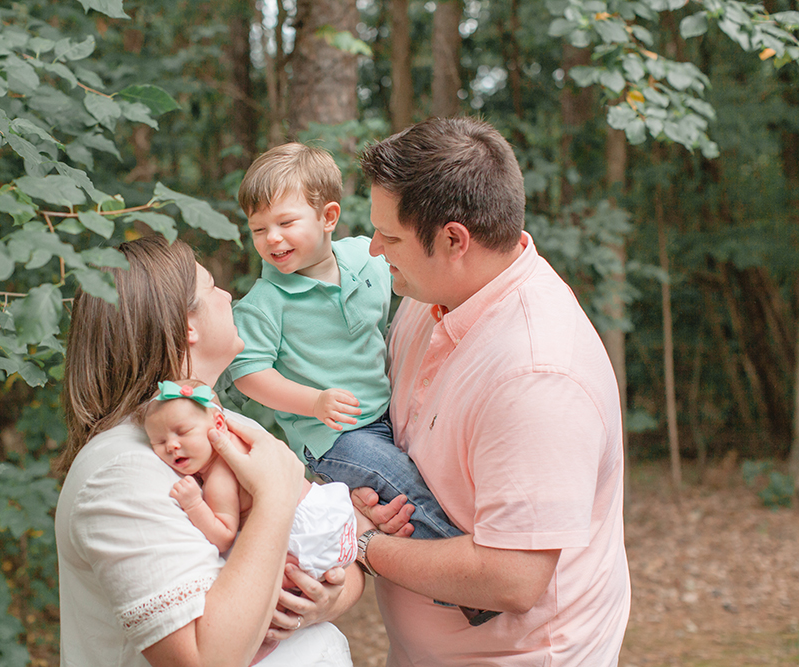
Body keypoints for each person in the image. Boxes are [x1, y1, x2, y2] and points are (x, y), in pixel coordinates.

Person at [351, 116, 631, 665]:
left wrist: (361, 543)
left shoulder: (537, 372)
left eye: (390, 236)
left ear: (454, 239)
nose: (374, 251)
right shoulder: (427, 297)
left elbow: (512, 577)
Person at [54, 235, 361, 667]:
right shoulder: (123, 470)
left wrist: (324, 600)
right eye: (213, 286)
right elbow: (202, 659)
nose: (229, 294)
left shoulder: (230, 429)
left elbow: (337, 552)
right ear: (187, 327)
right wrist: (274, 494)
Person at [227, 142, 459, 542]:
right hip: (335, 438)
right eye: (259, 229)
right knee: (405, 487)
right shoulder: (266, 302)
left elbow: (415, 278)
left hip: (389, 413)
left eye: (285, 223)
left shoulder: (366, 258)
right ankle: (468, 575)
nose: (272, 239)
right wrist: (313, 402)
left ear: (328, 217)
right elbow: (248, 373)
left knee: (431, 480)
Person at [140, 379, 357, 593]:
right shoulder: (245, 437)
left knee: (255, 584)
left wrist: (193, 503)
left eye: (182, 432)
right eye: (158, 442)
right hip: (325, 510)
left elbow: (224, 536)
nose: (171, 446)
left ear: (218, 424)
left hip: (302, 536)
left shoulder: (219, 478)